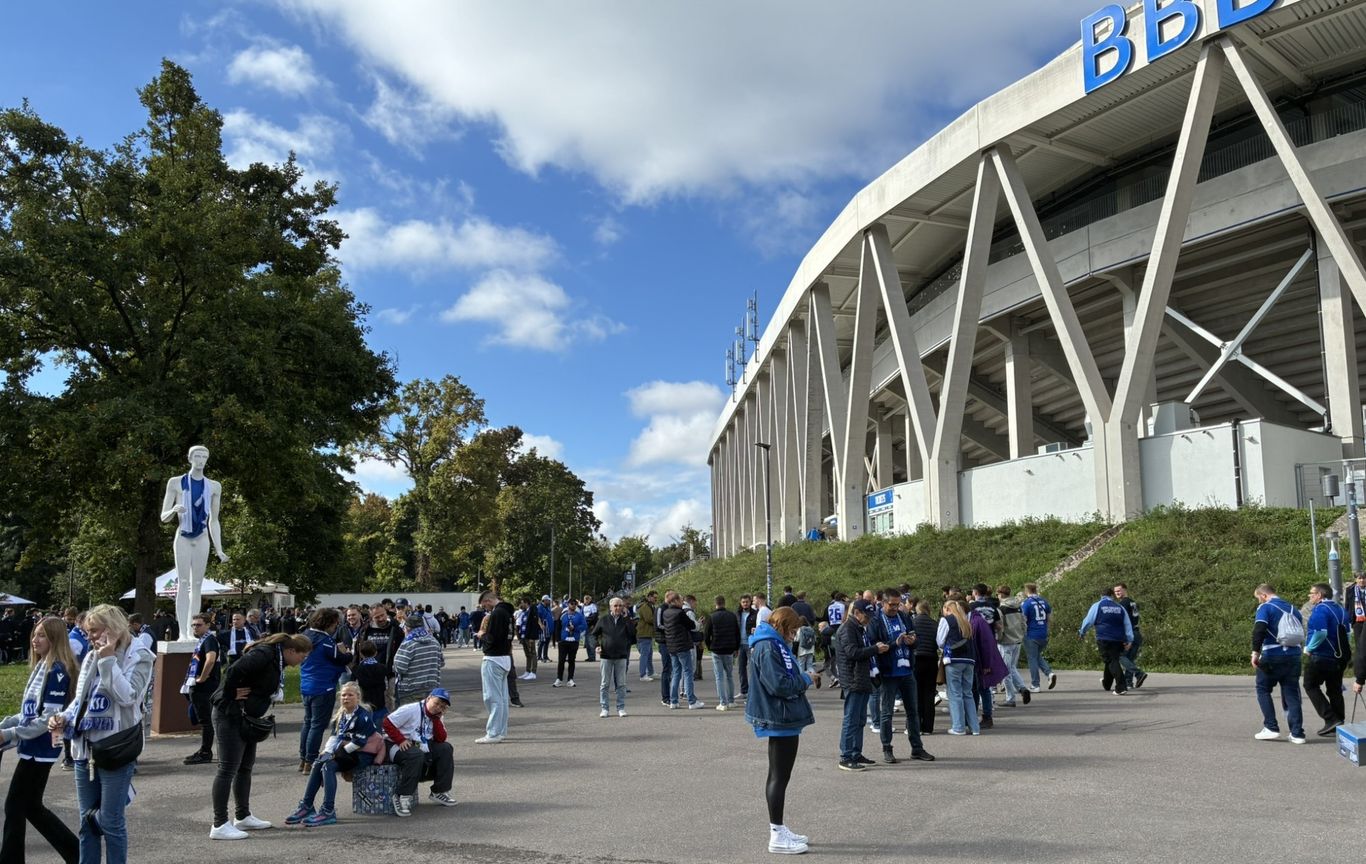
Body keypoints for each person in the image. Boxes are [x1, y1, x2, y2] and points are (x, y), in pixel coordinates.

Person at [48, 604, 155, 863]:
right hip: (85, 748)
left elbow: (128, 696)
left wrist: (108, 660)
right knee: (87, 821)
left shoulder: (139, 655)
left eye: (94, 631)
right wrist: (63, 716)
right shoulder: (91, 655)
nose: (90, 637)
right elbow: (81, 698)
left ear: (113, 628)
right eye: (87, 632)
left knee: (111, 821)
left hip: (116, 748)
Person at [207, 633, 312, 840]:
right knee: (227, 768)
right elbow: (234, 670)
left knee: (245, 767)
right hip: (230, 714)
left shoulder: (275, 657)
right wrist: (230, 694)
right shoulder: (265, 654)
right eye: (302, 656)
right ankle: (219, 824)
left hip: (247, 717)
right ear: (291, 651)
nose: (302, 661)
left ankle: (243, 815)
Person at [1, 616, 79, 864]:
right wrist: (6, 724)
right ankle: (77, 853)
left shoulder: (56, 670)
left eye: (42, 635)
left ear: (55, 638)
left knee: (15, 806)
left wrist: (9, 734)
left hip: (41, 748)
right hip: (33, 747)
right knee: (31, 807)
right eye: (35, 634)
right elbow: (28, 714)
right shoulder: (43, 666)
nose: (35, 639)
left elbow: (48, 717)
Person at [745, 606, 814, 855]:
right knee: (778, 777)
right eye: (792, 630)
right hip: (779, 717)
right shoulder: (767, 646)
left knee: (779, 776)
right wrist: (805, 679)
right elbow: (779, 685)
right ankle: (776, 834)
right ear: (781, 626)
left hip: (782, 716)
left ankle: (779, 827)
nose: (794, 636)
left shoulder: (771, 643)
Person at [159, 445, 229, 641]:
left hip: (202, 537)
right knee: (183, 583)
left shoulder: (214, 486)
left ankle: (192, 631)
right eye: (197, 456)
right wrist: (174, 510)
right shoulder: (176, 482)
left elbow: (214, 520)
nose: (200, 460)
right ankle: (182, 633)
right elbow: (164, 516)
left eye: (204, 456)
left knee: (197, 584)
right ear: (190, 458)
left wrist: (220, 549)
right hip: (183, 535)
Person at [286, 681, 377, 827]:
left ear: (358, 697)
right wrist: (327, 752)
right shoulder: (341, 715)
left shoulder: (363, 716)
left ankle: (328, 810)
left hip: (362, 754)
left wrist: (336, 755)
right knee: (318, 763)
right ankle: (307, 806)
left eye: (350, 695)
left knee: (328, 766)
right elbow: (335, 737)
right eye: (343, 695)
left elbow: (359, 743)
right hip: (345, 752)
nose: (345, 698)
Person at [866, 593, 935, 764]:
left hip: (907, 670)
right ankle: (887, 748)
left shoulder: (904, 617)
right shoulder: (875, 621)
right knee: (887, 713)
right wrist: (893, 643)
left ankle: (917, 748)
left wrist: (913, 641)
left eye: (897, 604)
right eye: (891, 604)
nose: (895, 608)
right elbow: (874, 645)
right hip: (889, 672)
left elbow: (915, 638)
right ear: (883, 603)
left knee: (913, 711)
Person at [383, 688, 457, 816]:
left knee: (446, 748)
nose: (438, 707)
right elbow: (387, 723)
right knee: (416, 755)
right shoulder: (411, 709)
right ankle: (402, 796)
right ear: (429, 698)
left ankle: (439, 791)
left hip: (421, 744)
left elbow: (441, 738)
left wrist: (436, 720)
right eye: (437, 703)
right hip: (396, 744)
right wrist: (400, 740)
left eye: (442, 706)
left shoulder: (437, 716)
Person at [835, 599, 887, 768]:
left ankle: (856, 753)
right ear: (857, 613)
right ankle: (846, 756)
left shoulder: (858, 628)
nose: (869, 619)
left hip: (862, 678)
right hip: (853, 679)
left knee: (860, 720)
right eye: (867, 615)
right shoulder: (848, 628)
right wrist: (875, 649)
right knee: (851, 719)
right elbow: (852, 652)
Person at [1251, 583, 1306, 744]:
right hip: (1294, 655)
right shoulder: (1293, 609)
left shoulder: (1265, 608)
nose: (1259, 602)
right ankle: (1297, 734)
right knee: (1291, 693)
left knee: (1263, 689)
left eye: (1258, 598)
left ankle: (1271, 727)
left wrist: (1255, 653)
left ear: (1263, 595)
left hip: (1272, 654)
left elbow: (1259, 629)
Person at [299, 608, 352, 773]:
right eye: (335, 623)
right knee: (317, 725)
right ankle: (310, 760)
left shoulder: (306, 635)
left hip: (306, 685)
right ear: (328, 623)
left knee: (308, 722)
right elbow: (341, 658)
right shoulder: (325, 640)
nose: (336, 627)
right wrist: (349, 653)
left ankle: (303, 758)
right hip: (323, 686)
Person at [1303, 582, 1350, 737]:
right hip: (1340, 656)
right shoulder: (1341, 610)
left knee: (1310, 684)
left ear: (1319, 595)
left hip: (1322, 655)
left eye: (1311, 593)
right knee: (1334, 689)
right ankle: (1339, 720)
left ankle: (1330, 718)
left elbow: (1321, 633)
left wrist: (1308, 648)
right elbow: (1347, 633)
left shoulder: (1320, 610)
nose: (1309, 596)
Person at [1078, 587, 1133, 695]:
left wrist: (1082, 632)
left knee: (1111, 661)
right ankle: (1107, 683)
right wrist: (1129, 640)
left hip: (1104, 638)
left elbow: (1088, 621)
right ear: (1112, 596)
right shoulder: (1119, 607)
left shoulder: (1097, 605)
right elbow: (1127, 624)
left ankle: (1121, 687)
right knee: (1111, 659)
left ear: (1101, 596)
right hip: (1119, 639)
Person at [182, 614, 221, 765]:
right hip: (199, 686)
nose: (195, 627)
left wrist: (202, 678)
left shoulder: (209, 640)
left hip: (204, 686)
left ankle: (205, 752)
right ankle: (204, 750)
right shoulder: (203, 640)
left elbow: (211, 659)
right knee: (203, 719)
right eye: (193, 625)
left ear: (207, 625)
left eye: (198, 625)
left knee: (206, 721)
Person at [937, 599, 979, 735]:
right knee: (968, 693)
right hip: (969, 659)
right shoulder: (966, 621)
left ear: (947, 608)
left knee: (955, 694)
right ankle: (974, 727)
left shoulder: (947, 620)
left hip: (953, 659)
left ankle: (958, 727)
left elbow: (940, 640)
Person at [477, 590, 514, 744]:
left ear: (488, 601)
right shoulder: (508, 612)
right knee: (502, 698)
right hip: (505, 656)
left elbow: (492, 638)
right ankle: (500, 731)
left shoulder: (497, 614)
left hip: (493, 658)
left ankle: (493, 732)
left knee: (492, 697)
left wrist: (481, 635)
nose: (485, 608)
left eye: (484, 604)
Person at [592, 596, 636, 717]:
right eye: (615, 605)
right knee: (605, 684)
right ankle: (604, 708)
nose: (618, 608)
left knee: (621, 684)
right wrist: (596, 646)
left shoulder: (626, 620)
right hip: (606, 656)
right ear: (611, 607)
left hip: (621, 656)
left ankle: (621, 707)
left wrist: (627, 619)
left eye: (620, 606)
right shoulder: (603, 619)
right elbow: (594, 635)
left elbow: (633, 634)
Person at [662, 591, 704, 709]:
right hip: (682, 645)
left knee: (676, 673)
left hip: (672, 646)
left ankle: (673, 701)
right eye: (681, 600)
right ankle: (691, 701)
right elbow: (691, 625)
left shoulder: (666, 612)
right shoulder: (680, 613)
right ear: (674, 601)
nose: (683, 603)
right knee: (688, 672)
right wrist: (699, 624)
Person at [393, 613, 444, 707]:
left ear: (407, 628)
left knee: (410, 720)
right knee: (427, 718)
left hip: (410, 691)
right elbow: (441, 663)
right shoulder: (434, 642)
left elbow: (400, 668)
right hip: (431, 689)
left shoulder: (408, 644)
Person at [994, 587, 1032, 707]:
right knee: (1012, 668)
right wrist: (1022, 635)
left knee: (1005, 671)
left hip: (1005, 642)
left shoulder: (1001, 609)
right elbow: (1023, 622)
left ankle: (1010, 698)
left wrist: (998, 638)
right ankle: (1022, 688)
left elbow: (1000, 626)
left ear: (1000, 594)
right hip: (1017, 641)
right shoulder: (1018, 606)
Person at [704, 594, 741, 710]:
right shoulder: (732, 616)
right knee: (729, 675)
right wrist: (736, 648)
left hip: (716, 649)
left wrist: (709, 646)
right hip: (729, 649)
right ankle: (731, 700)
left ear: (715, 604)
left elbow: (706, 634)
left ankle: (723, 703)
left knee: (719, 677)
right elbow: (737, 633)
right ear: (724, 603)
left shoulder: (712, 617)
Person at [1019, 583, 1057, 691]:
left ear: (1026, 591)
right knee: (1036, 656)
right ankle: (1049, 673)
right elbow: (1050, 619)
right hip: (1043, 633)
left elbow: (1023, 619)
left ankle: (1035, 684)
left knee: (1032, 659)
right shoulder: (1044, 601)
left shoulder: (1026, 603)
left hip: (1031, 634)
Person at [909, 600, 939, 734]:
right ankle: (928, 727)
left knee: (915, 693)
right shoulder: (935, 624)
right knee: (929, 693)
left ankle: (915, 726)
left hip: (916, 658)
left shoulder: (912, 622)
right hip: (931, 659)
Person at [1113, 583, 1148, 689]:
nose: (1117, 593)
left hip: (1130, 633)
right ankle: (1128, 682)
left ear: (1125, 590)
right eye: (1115, 591)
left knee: (1120, 656)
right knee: (1130, 659)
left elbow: (1122, 622)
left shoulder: (1123, 603)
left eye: (1119, 590)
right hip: (1137, 632)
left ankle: (1139, 674)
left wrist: (1123, 637)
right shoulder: (1132, 602)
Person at [352, 640, 389, 726]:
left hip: (363, 704)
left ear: (360, 654)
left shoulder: (357, 670)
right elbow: (386, 686)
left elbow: (354, 687)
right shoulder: (382, 668)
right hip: (379, 703)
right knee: (378, 730)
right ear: (376, 653)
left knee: (364, 731)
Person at [635, 590, 658, 681]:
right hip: (643, 634)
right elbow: (649, 619)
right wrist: (658, 619)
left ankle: (651, 672)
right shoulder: (645, 606)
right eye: (654, 597)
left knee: (649, 654)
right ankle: (642, 674)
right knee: (645, 655)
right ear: (649, 597)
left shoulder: (650, 606)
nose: (656, 599)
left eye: (656, 598)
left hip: (647, 634)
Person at [737, 594, 756, 700]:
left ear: (750, 602)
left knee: (753, 668)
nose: (745, 604)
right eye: (743, 602)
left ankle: (753, 691)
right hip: (740, 644)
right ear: (741, 603)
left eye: (747, 602)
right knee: (741, 668)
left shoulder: (755, 614)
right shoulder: (737, 614)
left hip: (750, 644)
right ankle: (744, 690)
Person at [517, 597, 541, 680]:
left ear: (526, 603)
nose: (521, 604)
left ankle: (533, 672)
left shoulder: (532, 611)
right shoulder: (524, 612)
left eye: (522, 602)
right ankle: (527, 671)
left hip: (530, 637)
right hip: (524, 636)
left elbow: (534, 624)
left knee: (533, 653)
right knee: (528, 654)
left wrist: (532, 637)